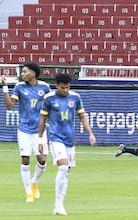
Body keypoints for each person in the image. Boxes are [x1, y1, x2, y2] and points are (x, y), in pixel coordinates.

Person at [38, 73, 96, 216]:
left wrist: (90, 133)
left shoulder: (75, 97)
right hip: (55, 137)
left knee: (66, 173)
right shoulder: (49, 98)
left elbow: (82, 116)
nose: (65, 90)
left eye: (67, 87)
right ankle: (58, 204)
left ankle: (59, 206)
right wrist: (40, 140)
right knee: (63, 167)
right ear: (57, 86)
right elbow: (43, 120)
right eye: (63, 88)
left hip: (69, 139)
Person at [1, 62, 51, 202]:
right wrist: (5, 87)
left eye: (24, 72)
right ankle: (29, 192)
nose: (22, 74)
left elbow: (51, 105)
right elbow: (10, 106)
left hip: (40, 130)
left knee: (42, 160)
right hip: (24, 129)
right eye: (22, 72)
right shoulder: (19, 87)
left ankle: (34, 182)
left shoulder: (45, 87)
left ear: (33, 73)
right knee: (25, 159)